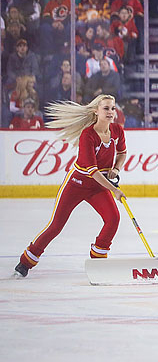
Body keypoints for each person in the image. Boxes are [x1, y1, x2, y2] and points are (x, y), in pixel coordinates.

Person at [15, 95, 127, 277]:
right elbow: (93, 172)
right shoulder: (87, 136)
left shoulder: (117, 131)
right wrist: (114, 190)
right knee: (56, 225)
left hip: (98, 186)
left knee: (113, 218)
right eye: (106, 108)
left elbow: (122, 153)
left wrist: (116, 168)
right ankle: (26, 261)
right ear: (95, 111)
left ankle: (98, 261)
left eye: (112, 108)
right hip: (77, 184)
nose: (110, 112)